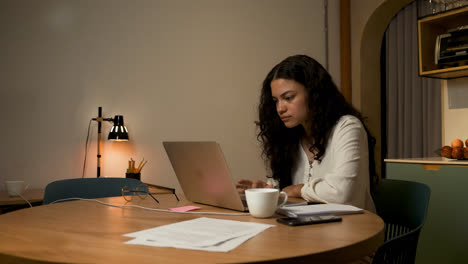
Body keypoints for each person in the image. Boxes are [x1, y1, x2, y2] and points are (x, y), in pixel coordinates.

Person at [237, 55, 376, 212]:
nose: (280, 108)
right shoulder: (292, 137)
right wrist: (270, 190)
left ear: (314, 93)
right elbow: (288, 190)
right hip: (309, 229)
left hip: (354, 229)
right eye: (276, 100)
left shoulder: (348, 127)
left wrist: (298, 189)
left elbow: (341, 193)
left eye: (288, 97)